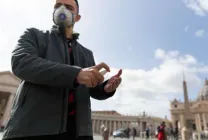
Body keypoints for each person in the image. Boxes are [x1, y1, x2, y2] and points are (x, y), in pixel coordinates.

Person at [2, 0, 122, 140]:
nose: (62, 9)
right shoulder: (33, 35)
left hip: (79, 133)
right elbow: (21, 62)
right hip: (33, 129)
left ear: (77, 17)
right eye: (58, 6)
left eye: (69, 7)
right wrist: (76, 74)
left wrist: (105, 88)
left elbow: (90, 88)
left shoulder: (87, 54)